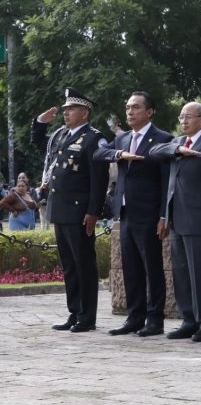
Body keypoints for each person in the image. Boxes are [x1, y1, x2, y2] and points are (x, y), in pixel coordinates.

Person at [93, 91, 173, 337]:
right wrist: (119, 154)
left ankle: (155, 319)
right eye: (128, 107)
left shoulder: (162, 138)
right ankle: (134, 317)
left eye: (136, 107)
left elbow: (166, 181)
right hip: (125, 213)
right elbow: (98, 154)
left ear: (150, 111)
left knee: (152, 267)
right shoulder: (122, 139)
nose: (130, 112)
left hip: (149, 214)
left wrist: (163, 215)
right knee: (130, 268)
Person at [31, 88, 109, 333]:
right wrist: (39, 124)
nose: (66, 113)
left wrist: (93, 211)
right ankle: (74, 312)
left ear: (84, 112)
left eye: (71, 109)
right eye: (64, 110)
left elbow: (99, 179)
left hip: (79, 211)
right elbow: (41, 146)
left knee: (83, 263)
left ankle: (87, 317)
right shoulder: (60, 135)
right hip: (59, 208)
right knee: (69, 265)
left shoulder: (94, 138)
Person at [150, 102, 201, 343]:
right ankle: (188, 320)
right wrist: (178, 151)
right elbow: (154, 152)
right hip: (177, 219)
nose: (183, 121)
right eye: (181, 117)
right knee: (181, 273)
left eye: (189, 117)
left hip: (199, 220)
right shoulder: (177, 144)